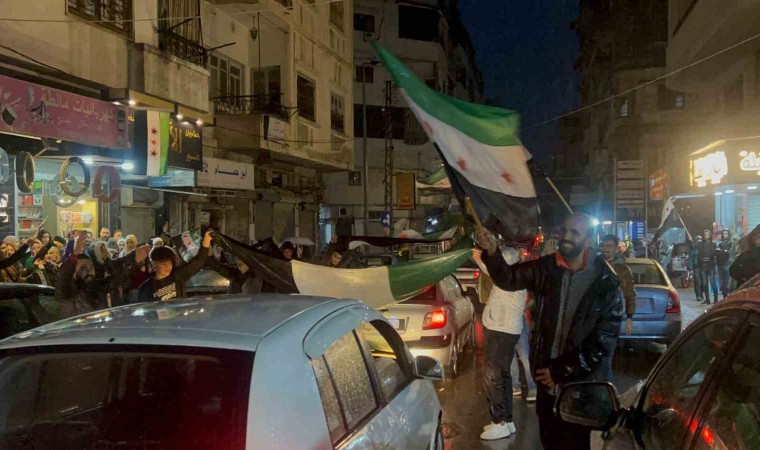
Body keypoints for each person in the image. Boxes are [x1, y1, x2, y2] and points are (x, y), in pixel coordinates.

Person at [475, 213, 623, 450]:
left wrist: (560, 371)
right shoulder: (547, 268)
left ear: (588, 241)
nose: (566, 236)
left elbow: (602, 343)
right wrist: (492, 251)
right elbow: (509, 279)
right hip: (548, 389)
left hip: (582, 391)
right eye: (564, 230)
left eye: (574, 233)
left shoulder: (606, 284)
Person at [472, 246, 527, 440]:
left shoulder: (510, 279)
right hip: (506, 330)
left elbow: (494, 273)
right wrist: (480, 260)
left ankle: (499, 422)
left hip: (501, 330)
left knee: (493, 376)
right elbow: (494, 272)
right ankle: (507, 420)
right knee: (503, 375)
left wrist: (481, 260)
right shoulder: (514, 276)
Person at [57, 231, 148, 317]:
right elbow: (64, 277)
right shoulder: (69, 291)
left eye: (91, 267)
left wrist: (136, 263)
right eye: (83, 268)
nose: (89, 272)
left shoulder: (99, 287)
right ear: (73, 273)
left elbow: (119, 278)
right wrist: (74, 256)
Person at [137, 229, 213, 303]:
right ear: (154, 264)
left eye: (169, 263)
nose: (167, 267)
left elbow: (198, 261)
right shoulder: (146, 288)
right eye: (163, 264)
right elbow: (144, 308)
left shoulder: (177, 276)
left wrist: (206, 240)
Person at [600, 234, 636, 381]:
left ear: (616, 248)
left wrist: (629, 318)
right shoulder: (595, 266)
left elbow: (630, 294)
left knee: (607, 356)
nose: (605, 249)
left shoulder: (623, 271)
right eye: (603, 246)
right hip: (593, 318)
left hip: (612, 320)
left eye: (609, 246)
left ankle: (606, 386)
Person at [697, 229, 719, 305]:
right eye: (704, 235)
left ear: (709, 236)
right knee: (704, 284)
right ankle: (707, 299)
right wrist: (690, 241)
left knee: (713, 283)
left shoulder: (713, 244)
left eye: (707, 235)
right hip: (703, 266)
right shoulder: (700, 244)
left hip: (711, 266)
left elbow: (716, 254)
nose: (705, 236)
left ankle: (716, 299)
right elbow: (693, 247)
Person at [715, 230, 734, 299]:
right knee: (722, 282)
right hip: (720, 264)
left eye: (726, 234)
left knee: (727, 281)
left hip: (727, 264)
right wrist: (723, 251)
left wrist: (722, 251)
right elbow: (717, 252)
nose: (724, 235)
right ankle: (725, 296)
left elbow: (729, 253)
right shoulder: (720, 243)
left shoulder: (730, 243)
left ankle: (728, 296)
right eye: (723, 234)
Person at [689, 235, 704, 301]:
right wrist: (691, 269)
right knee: (697, 281)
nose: (699, 240)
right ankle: (698, 295)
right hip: (696, 267)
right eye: (698, 239)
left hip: (703, 267)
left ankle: (701, 294)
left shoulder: (703, 247)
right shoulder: (693, 249)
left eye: (700, 239)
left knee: (703, 282)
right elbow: (690, 259)